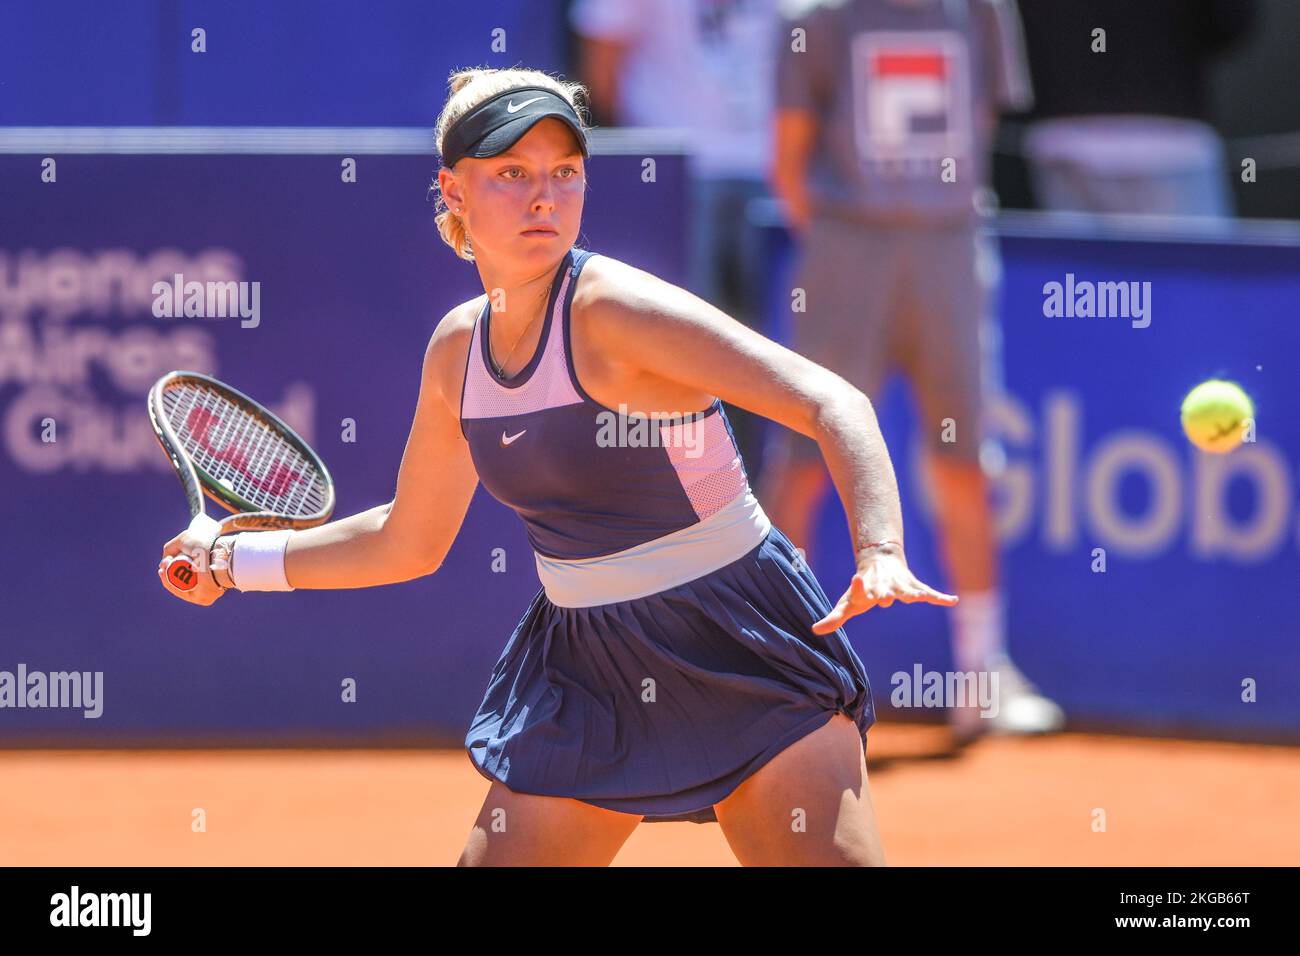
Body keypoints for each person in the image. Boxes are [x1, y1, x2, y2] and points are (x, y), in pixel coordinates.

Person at [157, 66, 957, 867]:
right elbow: (408, 540)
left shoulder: (615, 310)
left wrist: (880, 549)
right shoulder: (456, 352)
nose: (544, 197)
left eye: (564, 174)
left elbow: (833, 402)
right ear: (453, 190)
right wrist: (232, 561)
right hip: (586, 671)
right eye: (512, 173)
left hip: (738, 639)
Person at [763, 0, 1063, 744]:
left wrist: (923, 214)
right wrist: (852, 236)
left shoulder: (983, 11)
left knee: (963, 461)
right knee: (804, 459)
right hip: (844, 248)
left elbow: (980, 128)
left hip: (950, 250)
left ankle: (980, 676)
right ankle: (771, 675)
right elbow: (787, 161)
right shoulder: (815, 17)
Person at [570, 0, 782, 481]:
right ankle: (693, 491)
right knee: (679, 350)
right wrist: (644, 162)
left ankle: (760, 509)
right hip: (671, 170)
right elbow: (600, 62)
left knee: (780, 348)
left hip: (777, 173)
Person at [1015, 0, 1257, 217]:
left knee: (1073, 263)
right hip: (1170, 139)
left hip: (1064, 135)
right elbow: (1231, 21)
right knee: (1186, 264)